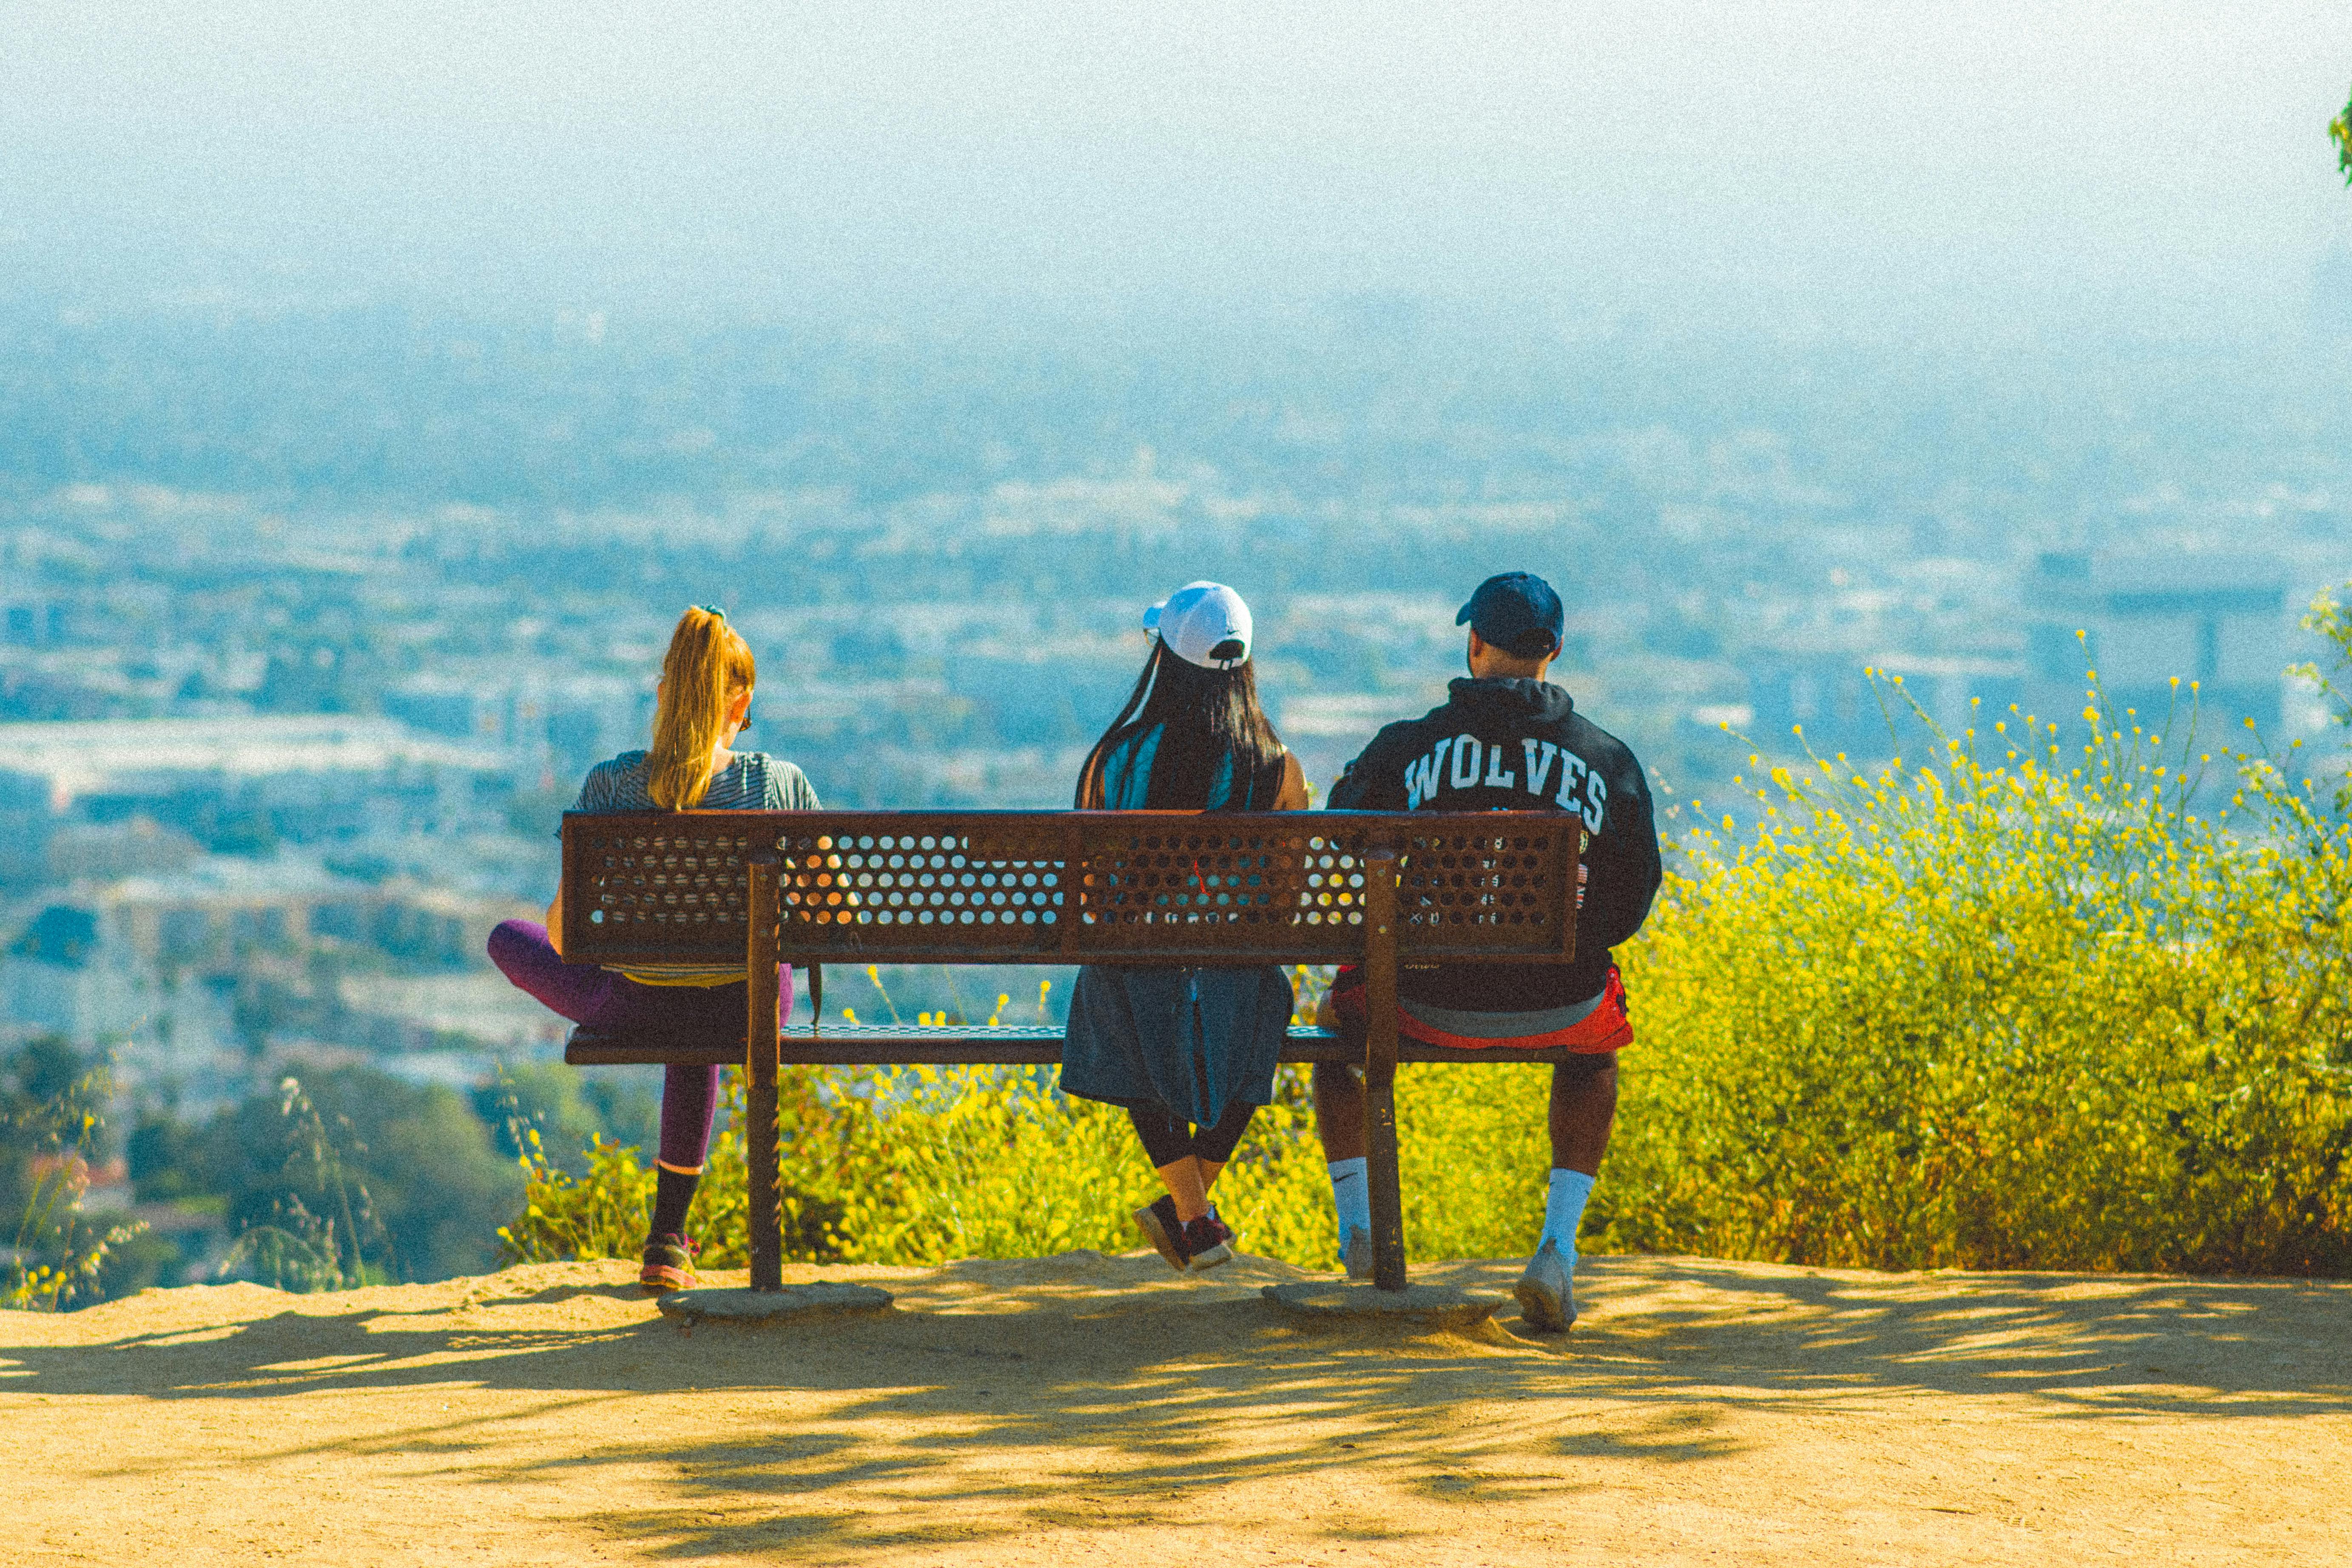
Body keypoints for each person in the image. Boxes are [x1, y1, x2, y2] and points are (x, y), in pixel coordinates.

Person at [1315, 571, 1661, 1330]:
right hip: (1560, 1006)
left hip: (1422, 1003)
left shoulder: (1405, 750)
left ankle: (1361, 1229)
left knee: (1333, 1038)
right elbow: (1629, 902)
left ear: (1474, 645)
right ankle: (1558, 1253)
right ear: (1556, 651)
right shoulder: (1606, 760)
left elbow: (1339, 842)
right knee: (1595, 1058)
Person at [486, 605, 820, 1294]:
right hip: (750, 1004)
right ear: (741, 702)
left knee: (507, 939)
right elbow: (832, 913)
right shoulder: (777, 784)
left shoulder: (610, 786)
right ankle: (668, 1238)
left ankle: (669, 1239)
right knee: (708, 1001)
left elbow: (559, 933)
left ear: (664, 693)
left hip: (637, 1004)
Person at [1060, 581, 1310, 1272]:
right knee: (1267, 998)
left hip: (1132, 975)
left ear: (1164, 660)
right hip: (1237, 975)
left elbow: (1087, 891)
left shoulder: (1114, 759)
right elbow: (1285, 902)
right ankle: (1195, 1214)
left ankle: (1192, 1218)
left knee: (1117, 996)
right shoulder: (1279, 767)